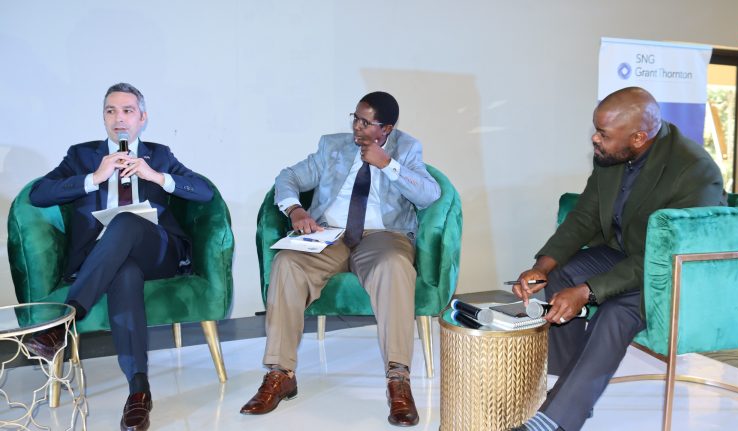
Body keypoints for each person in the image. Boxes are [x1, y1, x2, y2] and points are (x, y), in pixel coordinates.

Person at [508, 87, 725, 431]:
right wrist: (542, 267)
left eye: (603, 134)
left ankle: (556, 420)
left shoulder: (694, 170)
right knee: (562, 276)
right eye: (596, 130)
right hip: (626, 253)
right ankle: (564, 389)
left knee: (617, 310)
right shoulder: (609, 155)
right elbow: (584, 217)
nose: (595, 139)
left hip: (674, 272)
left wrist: (588, 291)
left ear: (638, 138)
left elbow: (665, 255)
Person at [240, 91, 440, 426]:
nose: (357, 127)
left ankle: (398, 379)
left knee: (394, 266)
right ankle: (280, 373)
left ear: (387, 128)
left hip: (382, 236)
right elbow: (288, 176)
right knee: (287, 263)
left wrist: (387, 164)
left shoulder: (407, 148)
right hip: (328, 234)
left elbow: (429, 194)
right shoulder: (332, 146)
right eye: (355, 118)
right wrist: (295, 209)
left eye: (366, 122)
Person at [25, 83, 213, 431]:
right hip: (104, 256)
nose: (119, 118)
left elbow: (204, 192)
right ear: (103, 118)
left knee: (126, 221)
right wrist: (93, 178)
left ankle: (66, 320)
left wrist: (155, 176)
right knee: (124, 272)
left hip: (158, 250)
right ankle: (139, 390)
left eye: (128, 111)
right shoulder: (82, 156)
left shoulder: (159, 154)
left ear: (142, 118)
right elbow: (38, 194)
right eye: (111, 111)